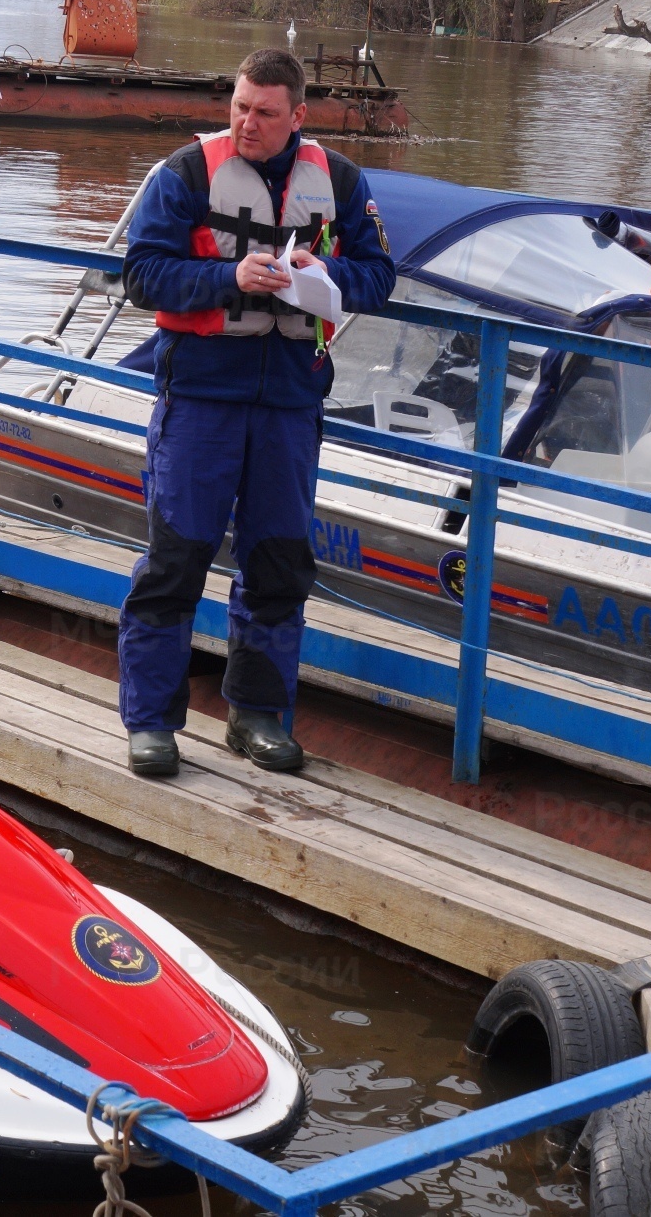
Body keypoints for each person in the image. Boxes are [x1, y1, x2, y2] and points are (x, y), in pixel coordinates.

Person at [116, 48, 397, 778]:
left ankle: (258, 717)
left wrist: (328, 271)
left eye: (265, 113)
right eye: (240, 107)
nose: (247, 122)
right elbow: (141, 274)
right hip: (202, 399)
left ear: (297, 116)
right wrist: (226, 276)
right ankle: (151, 722)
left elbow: (381, 275)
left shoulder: (339, 181)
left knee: (278, 564)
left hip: (289, 405)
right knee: (176, 558)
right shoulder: (184, 173)